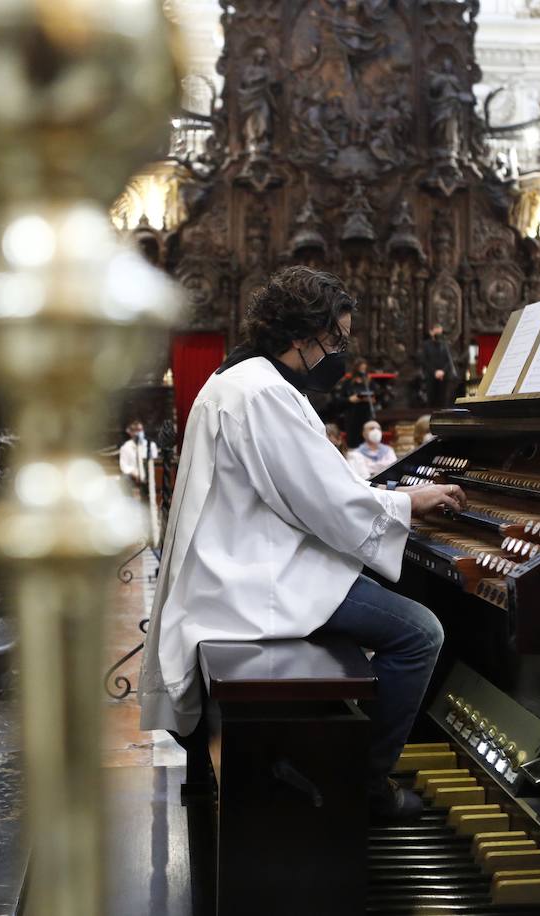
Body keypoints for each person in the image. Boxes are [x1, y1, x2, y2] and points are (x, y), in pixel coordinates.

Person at [138, 266, 466, 821]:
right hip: (255, 580)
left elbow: (311, 487)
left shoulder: (237, 379)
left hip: (240, 563)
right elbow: (327, 502)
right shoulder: (264, 390)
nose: (337, 351)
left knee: (388, 597)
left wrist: (385, 502)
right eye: (334, 339)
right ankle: (364, 783)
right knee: (419, 632)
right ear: (301, 336)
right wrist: (409, 502)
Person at [336, 357, 377, 447]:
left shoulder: (369, 382)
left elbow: (376, 397)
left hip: (366, 415)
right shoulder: (348, 382)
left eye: (364, 369)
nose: (362, 371)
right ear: (356, 368)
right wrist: (351, 399)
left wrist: (370, 399)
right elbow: (340, 400)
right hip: (352, 415)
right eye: (361, 368)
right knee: (353, 441)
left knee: (366, 438)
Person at [420, 324, 460, 408]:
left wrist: (443, 371)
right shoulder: (426, 345)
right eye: (436, 330)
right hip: (431, 376)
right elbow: (425, 361)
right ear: (431, 332)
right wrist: (435, 372)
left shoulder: (445, 345)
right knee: (431, 402)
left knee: (443, 402)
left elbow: (449, 361)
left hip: (444, 376)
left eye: (440, 331)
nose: (438, 333)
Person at [119, 418, 159, 496]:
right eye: (135, 430)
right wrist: (136, 474)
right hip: (133, 476)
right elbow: (124, 466)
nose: (138, 433)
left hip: (148, 475)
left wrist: (145, 473)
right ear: (130, 432)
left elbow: (155, 462)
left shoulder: (151, 445)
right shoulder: (125, 447)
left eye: (140, 430)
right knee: (124, 479)